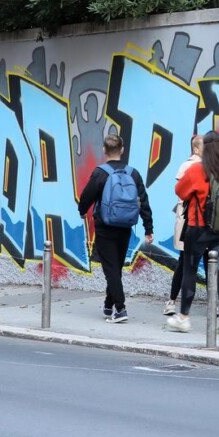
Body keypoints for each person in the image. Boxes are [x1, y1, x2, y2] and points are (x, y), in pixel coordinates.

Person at [77, 132, 153, 324]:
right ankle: (109, 304)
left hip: (105, 227)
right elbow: (143, 201)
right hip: (125, 226)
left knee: (110, 268)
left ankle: (120, 308)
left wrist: (82, 211)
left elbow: (86, 197)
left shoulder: (100, 173)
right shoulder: (133, 173)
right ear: (122, 150)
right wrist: (148, 228)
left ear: (104, 150)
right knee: (116, 267)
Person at [167, 130, 219, 335]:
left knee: (190, 268)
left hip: (198, 227)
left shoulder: (198, 170)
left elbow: (180, 191)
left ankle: (183, 318)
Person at [165, 134, 203, 316]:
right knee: (196, 262)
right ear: (196, 148)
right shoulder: (191, 166)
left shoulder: (188, 166)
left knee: (184, 262)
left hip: (188, 221)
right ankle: (173, 302)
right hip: (192, 220)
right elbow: (182, 193)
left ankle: (172, 302)